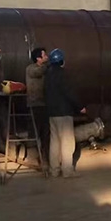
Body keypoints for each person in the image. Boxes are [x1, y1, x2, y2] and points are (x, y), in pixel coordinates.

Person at [44, 48, 85, 178]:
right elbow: (70, 93)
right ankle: (67, 170)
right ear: (61, 61)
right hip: (64, 113)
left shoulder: (47, 75)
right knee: (67, 142)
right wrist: (80, 107)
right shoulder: (63, 75)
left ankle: (54, 170)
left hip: (52, 114)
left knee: (54, 142)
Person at [25, 47, 50, 163]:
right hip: (34, 105)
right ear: (38, 58)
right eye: (44, 55)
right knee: (34, 131)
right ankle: (32, 157)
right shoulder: (31, 69)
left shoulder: (45, 69)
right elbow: (37, 72)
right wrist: (48, 65)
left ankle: (45, 156)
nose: (46, 57)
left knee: (45, 132)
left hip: (44, 104)